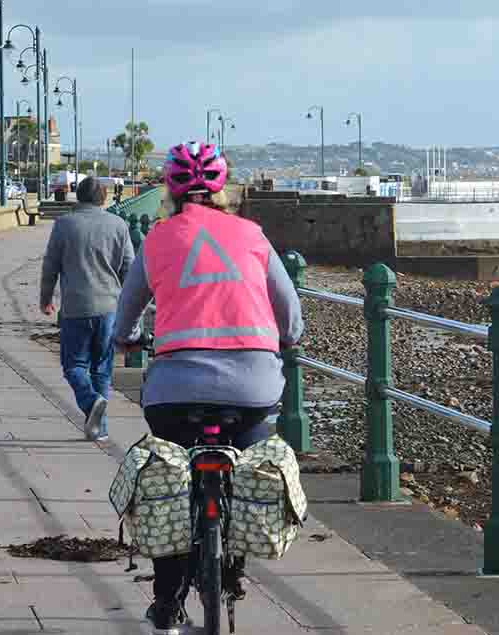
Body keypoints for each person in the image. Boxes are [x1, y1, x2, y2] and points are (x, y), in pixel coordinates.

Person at [111, 142, 302, 635]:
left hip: (175, 390)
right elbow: (290, 314)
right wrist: (284, 339)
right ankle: (233, 565)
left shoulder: (156, 239)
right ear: (223, 189)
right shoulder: (253, 235)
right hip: (253, 386)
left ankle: (167, 607)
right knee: (249, 465)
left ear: (169, 190)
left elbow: (127, 312)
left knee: (169, 488)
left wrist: (127, 338)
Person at [40, 176, 134, 441]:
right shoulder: (118, 224)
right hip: (109, 308)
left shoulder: (64, 224)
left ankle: (90, 399)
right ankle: (100, 429)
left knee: (74, 365)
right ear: (103, 198)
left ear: (77, 196)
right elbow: (130, 268)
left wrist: (46, 298)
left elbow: (51, 266)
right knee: (102, 368)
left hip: (75, 308)